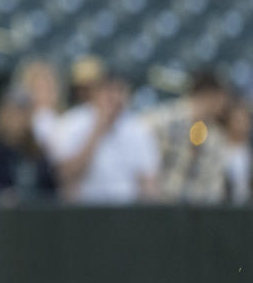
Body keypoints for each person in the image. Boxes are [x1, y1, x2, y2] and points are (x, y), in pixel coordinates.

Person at [47, 73, 160, 204]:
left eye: (120, 91)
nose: (115, 97)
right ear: (95, 94)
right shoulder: (72, 123)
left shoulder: (138, 128)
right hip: (84, 209)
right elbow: (65, 177)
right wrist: (97, 130)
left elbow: (148, 182)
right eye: (109, 91)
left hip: (128, 211)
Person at [137, 71, 232, 203]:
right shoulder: (162, 120)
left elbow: (214, 188)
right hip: (158, 208)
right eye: (222, 97)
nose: (224, 103)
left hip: (197, 215)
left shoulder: (216, 136)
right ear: (210, 95)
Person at [0, 87, 56, 198]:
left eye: (22, 114)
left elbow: (50, 192)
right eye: (12, 113)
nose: (17, 120)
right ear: (2, 114)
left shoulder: (37, 152)